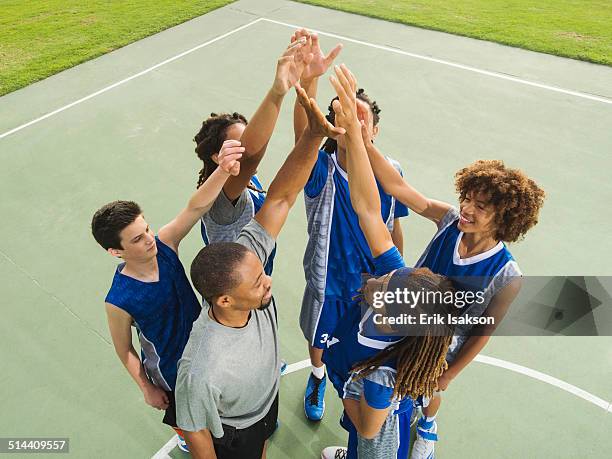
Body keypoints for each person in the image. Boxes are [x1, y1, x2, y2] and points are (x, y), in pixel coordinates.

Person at [359, 88, 545, 459]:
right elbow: (401, 189)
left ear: (504, 217)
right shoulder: (449, 222)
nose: (466, 209)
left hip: (441, 346)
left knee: (426, 394)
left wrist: (447, 376)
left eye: (480, 206)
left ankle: (427, 426)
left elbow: (482, 333)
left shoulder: (507, 274)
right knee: (382, 392)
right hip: (408, 317)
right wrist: (363, 142)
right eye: (466, 199)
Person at [175, 85, 344, 459]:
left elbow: (283, 196)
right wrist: (279, 90)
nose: (269, 282)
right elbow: (193, 426)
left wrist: (314, 136)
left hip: (263, 404)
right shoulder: (202, 364)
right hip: (234, 430)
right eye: (259, 281)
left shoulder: (245, 266)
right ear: (224, 300)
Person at [319, 64, 458, 459]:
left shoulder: (380, 375)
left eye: (387, 292)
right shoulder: (399, 288)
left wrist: (345, 384)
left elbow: (367, 425)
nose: (381, 282)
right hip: (362, 390)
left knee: (365, 442)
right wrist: (356, 137)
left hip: (373, 432)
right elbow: (367, 207)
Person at [291, 30, 409, 422]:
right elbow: (303, 135)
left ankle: (352, 393)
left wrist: (398, 272)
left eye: (363, 118)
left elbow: (394, 225)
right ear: (330, 124)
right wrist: (308, 79)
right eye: (343, 113)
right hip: (328, 284)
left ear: (374, 131)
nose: (354, 122)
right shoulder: (319, 171)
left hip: (373, 286)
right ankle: (318, 374)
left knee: (367, 348)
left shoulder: (391, 173)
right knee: (319, 341)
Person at [91, 146, 242, 451]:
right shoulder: (118, 300)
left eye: (146, 228)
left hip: (208, 344)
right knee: (194, 426)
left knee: (225, 403)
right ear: (115, 251)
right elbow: (125, 350)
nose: (149, 239)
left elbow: (196, 207)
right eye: (137, 238)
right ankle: (187, 435)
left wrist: (223, 170)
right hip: (173, 372)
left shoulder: (166, 245)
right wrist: (146, 388)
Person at [195, 35, 313, 275]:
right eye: (239, 142)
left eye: (247, 136)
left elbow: (301, 147)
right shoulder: (220, 198)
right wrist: (278, 92)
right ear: (217, 157)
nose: (247, 144)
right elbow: (249, 157)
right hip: (236, 296)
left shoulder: (249, 183)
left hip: (256, 281)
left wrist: (308, 81)